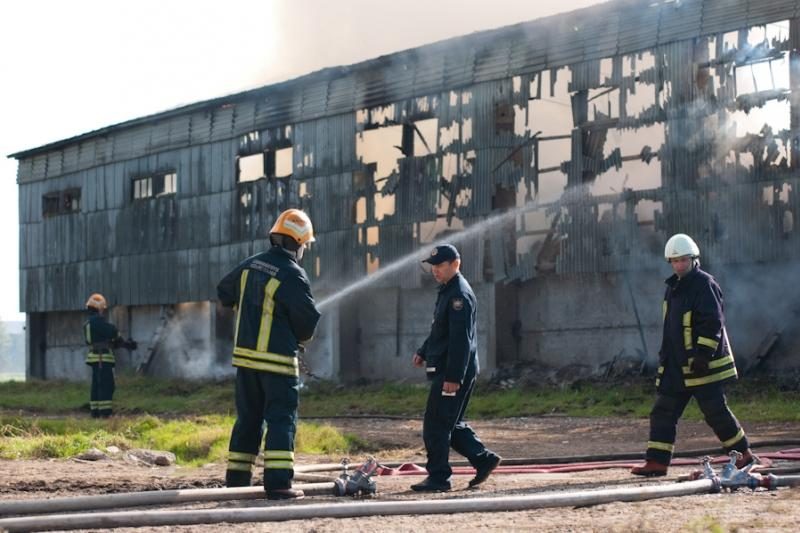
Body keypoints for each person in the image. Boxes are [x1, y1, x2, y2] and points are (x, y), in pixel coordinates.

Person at [631, 233, 754, 477]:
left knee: (715, 412)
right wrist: (665, 362)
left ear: (693, 258)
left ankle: (744, 457)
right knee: (662, 412)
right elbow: (671, 329)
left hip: (702, 366)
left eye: (683, 260)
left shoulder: (704, 284)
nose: (679, 265)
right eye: (675, 261)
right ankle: (656, 463)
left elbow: (713, 322)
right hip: (677, 367)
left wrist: (703, 354)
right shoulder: (672, 288)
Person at [218, 208, 321, 500]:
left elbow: (224, 292)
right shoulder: (292, 274)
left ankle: (237, 482)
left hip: (246, 361)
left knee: (248, 419)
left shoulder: (249, 265)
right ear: (298, 243)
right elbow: (307, 322)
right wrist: (296, 336)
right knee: (281, 419)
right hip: (277, 362)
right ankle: (278, 484)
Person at [411, 243, 501, 492]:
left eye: (440, 266)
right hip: (451, 368)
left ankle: (439, 478)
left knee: (436, 425)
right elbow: (441, 331)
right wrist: (423, 351)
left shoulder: (458, 295)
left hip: (453, 370)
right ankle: (483, 459)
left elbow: (461, 340)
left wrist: (453, 376)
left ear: (456, 264)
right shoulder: (448, 291)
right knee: (450, 422)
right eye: (433, 267)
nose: (435, 271)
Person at [83, 293, 136, 418]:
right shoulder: (98, 322)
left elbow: (103, 341)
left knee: (96, 386)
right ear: (99, 308)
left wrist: (119, 344)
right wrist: (125, 343)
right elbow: (113, 332)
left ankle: (95, 412)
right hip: (103, 359)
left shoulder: (87, 324)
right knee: (106, 385)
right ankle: (105, 413)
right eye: (102, 308)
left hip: (94, 358)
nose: (103, 311)